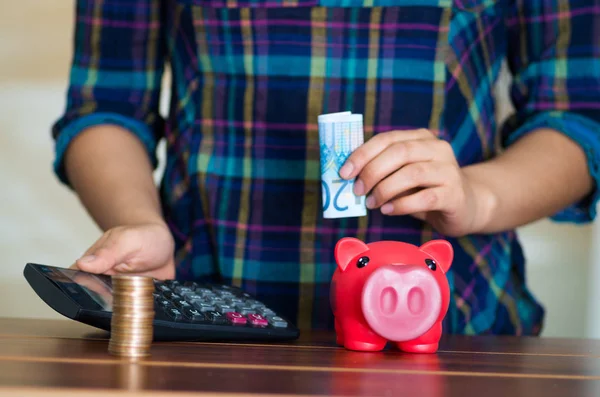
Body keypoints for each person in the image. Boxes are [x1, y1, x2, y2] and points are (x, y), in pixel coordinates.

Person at [52, 0, 600, 335]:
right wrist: (140, 220)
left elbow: (578, 118)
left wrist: (478, 197)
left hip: (458, 329)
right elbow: (107, 106)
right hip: (206, 323)